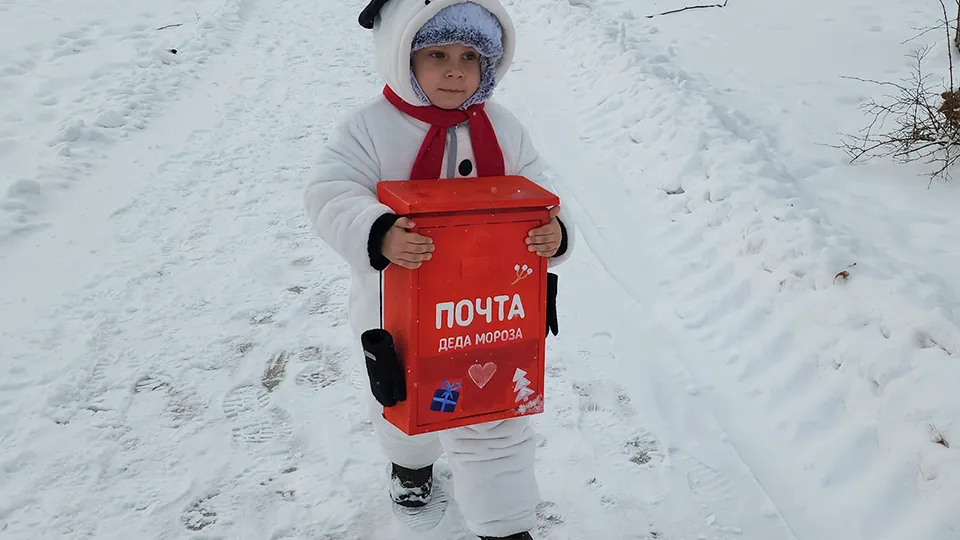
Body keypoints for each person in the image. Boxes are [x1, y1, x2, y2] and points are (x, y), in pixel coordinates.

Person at [303, 0, 575, 538]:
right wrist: (377, 231)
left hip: (492, 312)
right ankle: (411, 463)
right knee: (405, 402)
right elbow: (328, 193)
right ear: (402, 55)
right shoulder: (368, 128)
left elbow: (541, 189)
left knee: (496, 415)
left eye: (471, 56)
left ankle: (506, 526)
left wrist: (555, 230)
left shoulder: (503, 127)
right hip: (398, 311)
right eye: (437, 54)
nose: (456, 70)